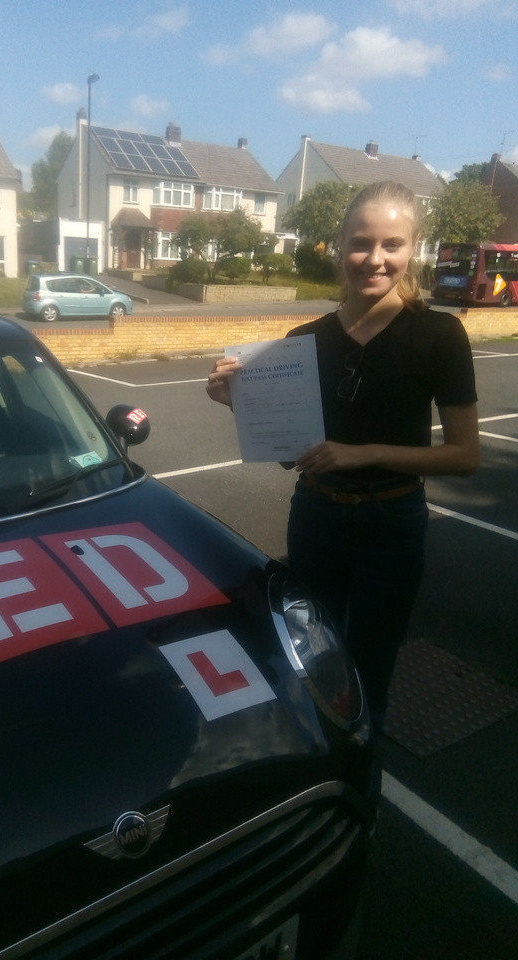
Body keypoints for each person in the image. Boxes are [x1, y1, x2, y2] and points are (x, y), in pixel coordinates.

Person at [206, 181, 479, 731]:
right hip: (317, 514)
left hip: (393, 521)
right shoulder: (305, 339)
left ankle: (362, 774)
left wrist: (364, 453)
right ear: (339, 246)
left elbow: (464, 455)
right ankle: (319, 754)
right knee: (311, 658)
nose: (375, 259)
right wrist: (240, 402)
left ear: (413, 249)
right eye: (361, 243)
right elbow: (294, 457)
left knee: (371, 668)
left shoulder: (439, 334)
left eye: (392, 244)